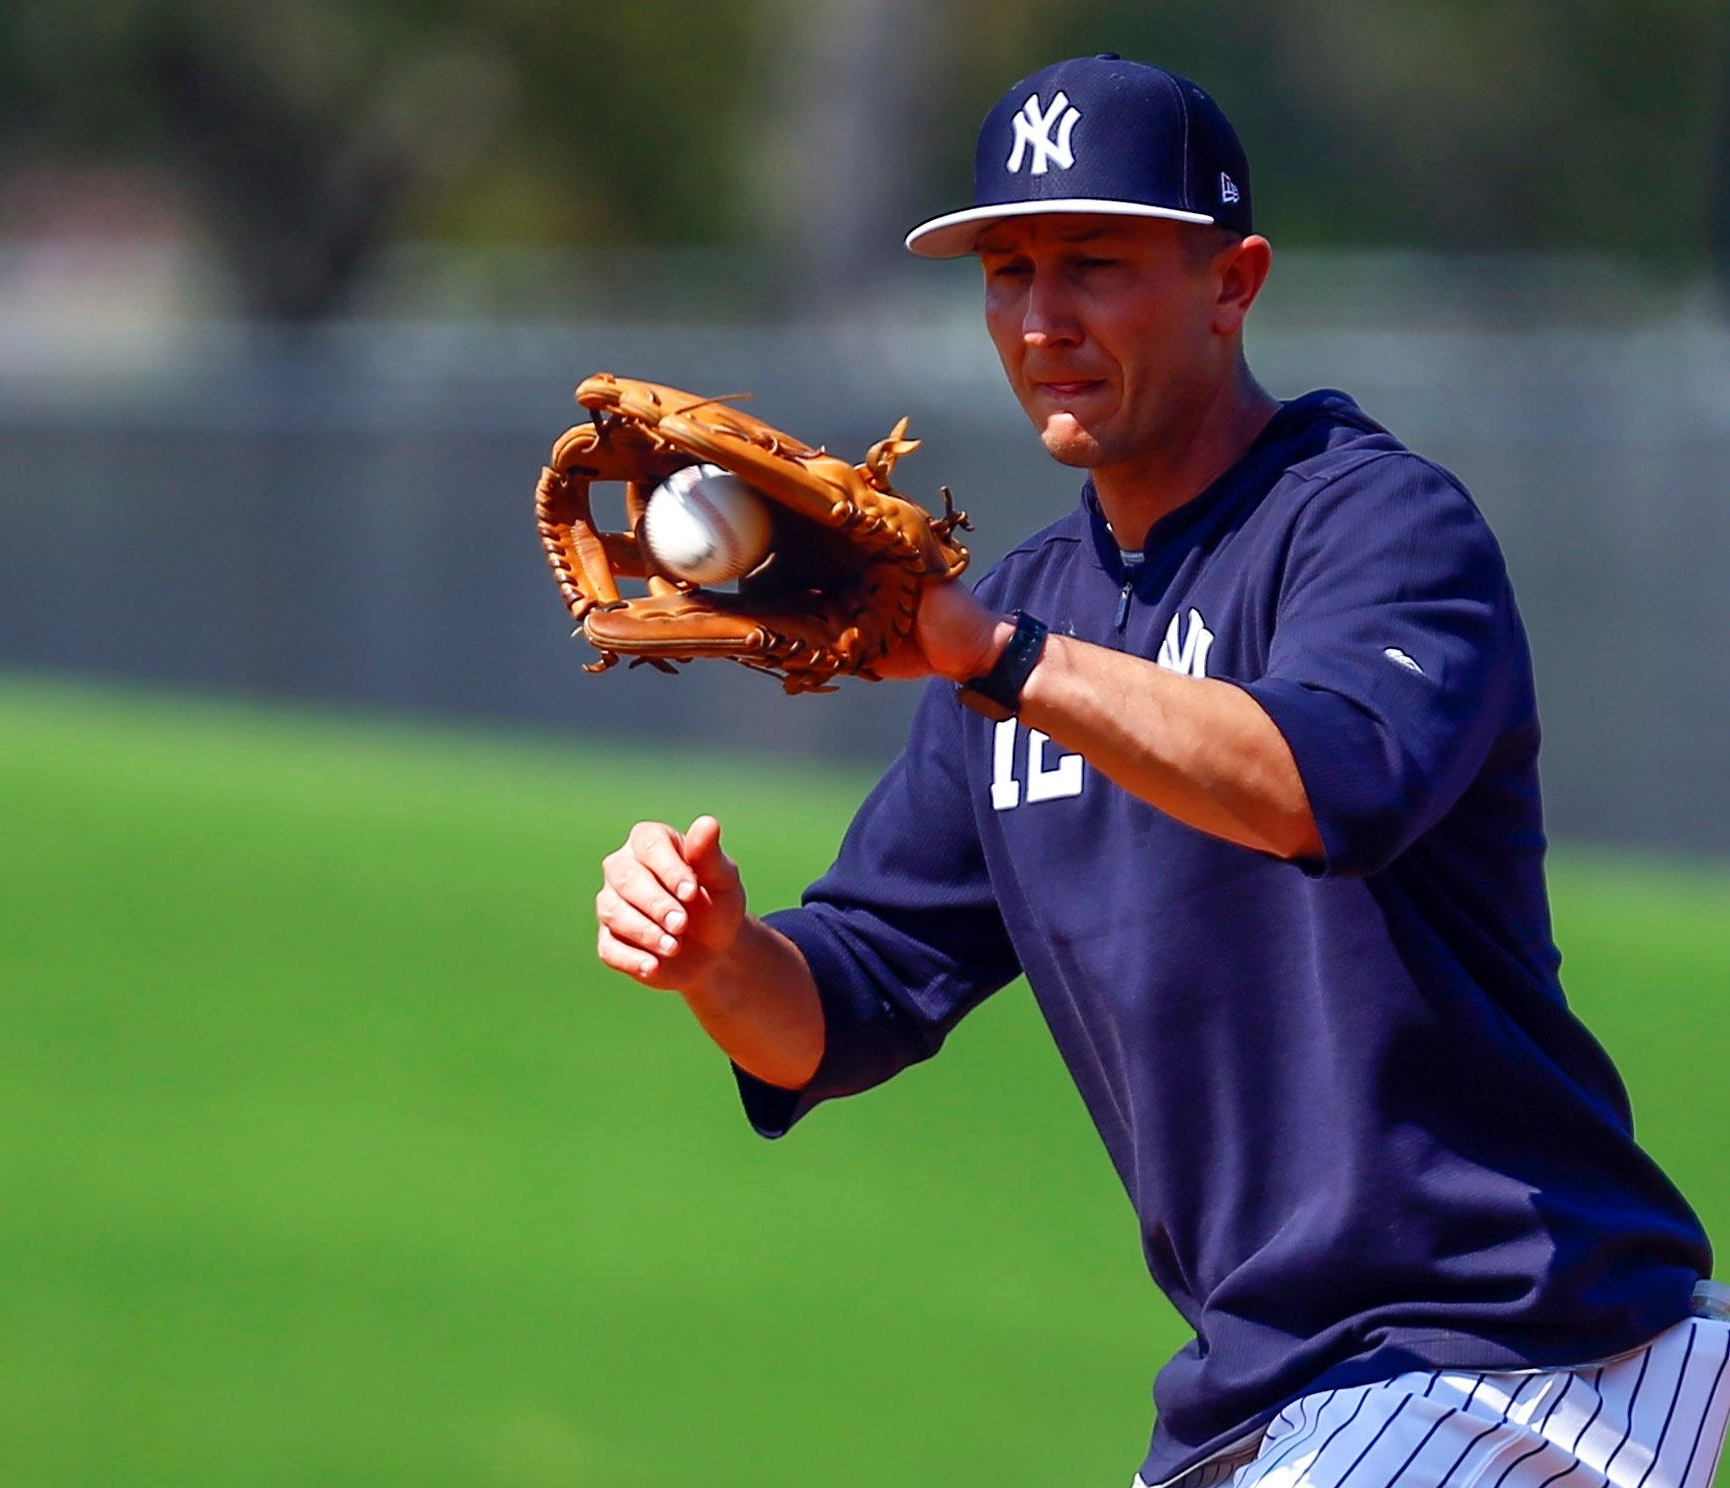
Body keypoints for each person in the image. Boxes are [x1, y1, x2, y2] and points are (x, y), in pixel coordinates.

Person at [592, 54, 1725, 1488]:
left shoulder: (1374, 527)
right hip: (1277, 1386)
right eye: (1008, 271)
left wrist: (993, 655)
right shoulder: (1022, 615)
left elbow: (1326, 783)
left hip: (1517, 1344)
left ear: (1232, 281)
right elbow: (838, 1011)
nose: (1042, 319)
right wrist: (714, 956)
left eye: (1096, 264)